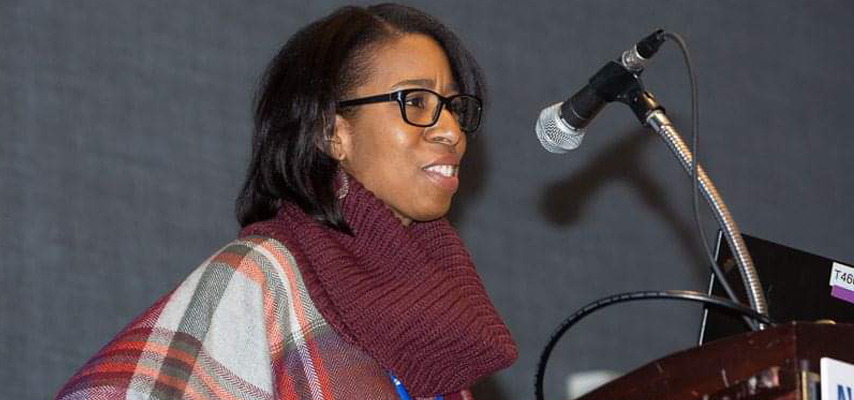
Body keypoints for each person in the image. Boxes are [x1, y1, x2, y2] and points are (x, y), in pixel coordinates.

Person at [56, 3, 517, 399]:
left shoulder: (435, 307)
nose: (451, 131)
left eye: (456, 108)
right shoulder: (263, 273)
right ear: (331, 132)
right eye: (415, 101)